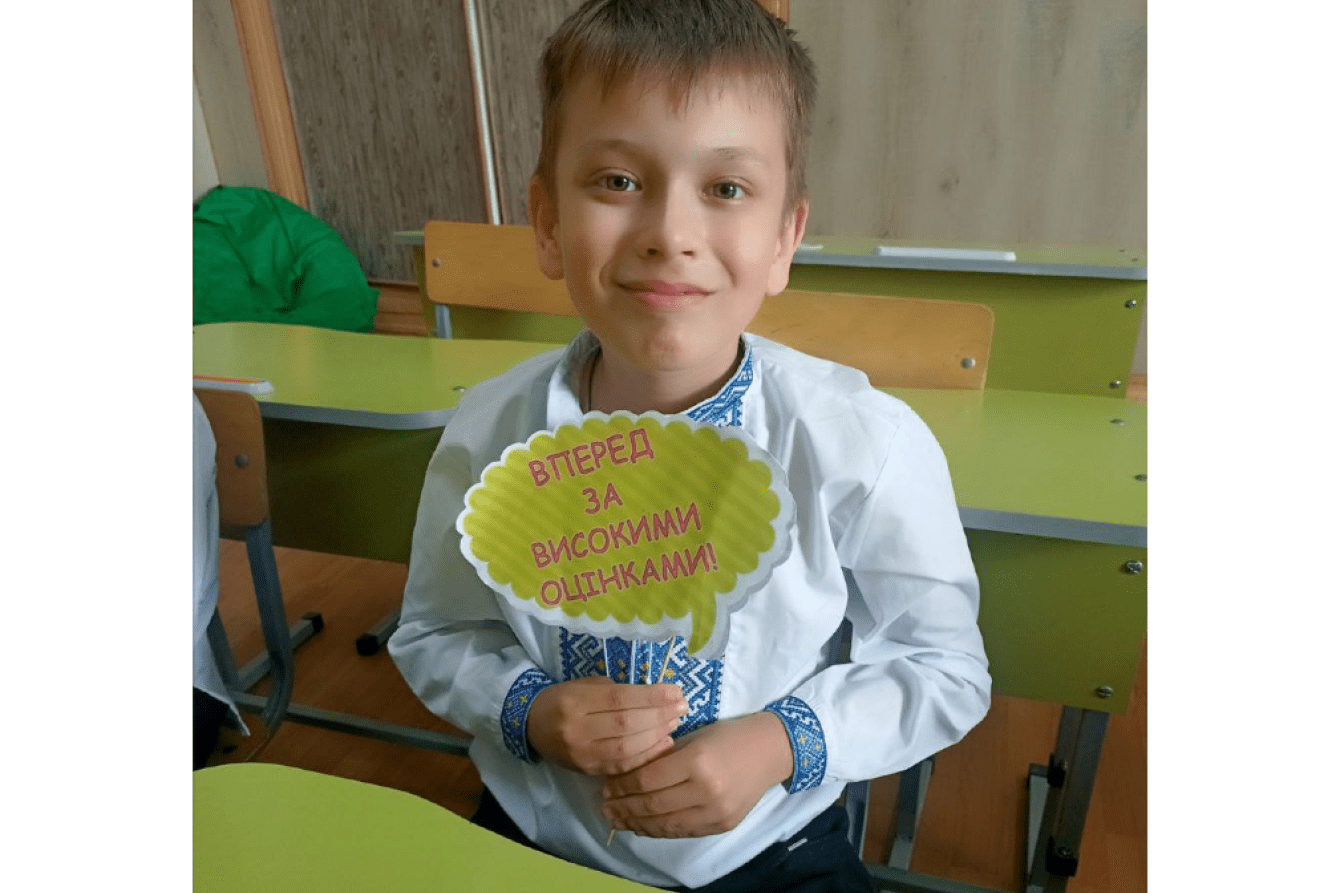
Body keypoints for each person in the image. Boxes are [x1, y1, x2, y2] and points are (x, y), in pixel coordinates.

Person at [389, 1, 990, 890]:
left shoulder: (863, 442)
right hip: (540, 825)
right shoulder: (488, 432)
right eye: (618, 182)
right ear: (547, 222)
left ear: (785, 237)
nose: (672, 233)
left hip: (769, 844)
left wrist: (780, 741)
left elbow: (944, 668)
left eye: (727, 189)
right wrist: (531, 708)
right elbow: (436, 630)